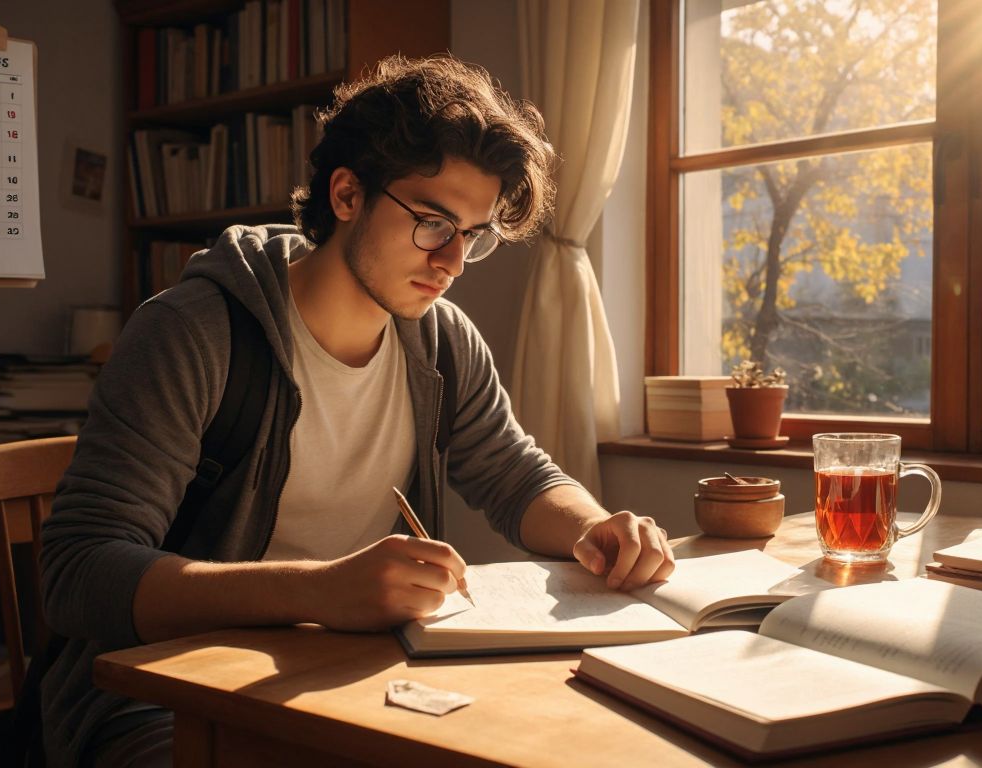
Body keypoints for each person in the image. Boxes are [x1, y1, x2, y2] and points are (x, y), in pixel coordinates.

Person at [39, 55, 676, 767]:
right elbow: (78, 573)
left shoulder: (438, 339)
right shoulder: (195, 333)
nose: (453, 262)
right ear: (347, 195)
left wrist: (595, 527)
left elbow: (514, 475)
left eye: (474, 234)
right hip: (167, 695)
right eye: (434, 223)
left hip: (361, 678)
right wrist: (318, 591)